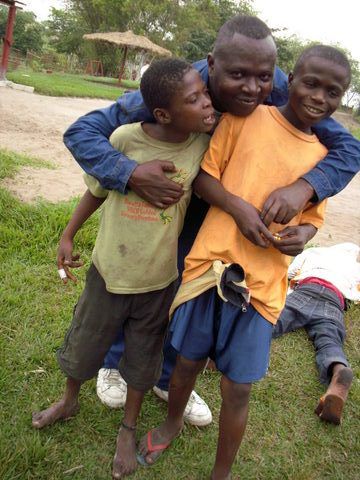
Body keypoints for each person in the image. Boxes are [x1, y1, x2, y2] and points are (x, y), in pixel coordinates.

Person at [63, 14, 360, 420]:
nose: (253, 89)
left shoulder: (278, 90)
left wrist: (304, 188)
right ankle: (115, 362)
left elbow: (349, 150)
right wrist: (129, 173)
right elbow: (82, 132)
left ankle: (168, 378)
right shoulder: (179, 86)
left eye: (264, 77)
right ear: (212, 64)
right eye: (237, 74)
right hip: (171, 194)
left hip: (221, 210)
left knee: (186, 290)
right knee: (139, 277)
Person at [136, 41, 352, 480]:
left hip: (262, 286)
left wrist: (301, 237)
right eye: (310, 83)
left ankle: (222, 472)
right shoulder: (245, 119)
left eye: (333, 92)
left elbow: (313, 221)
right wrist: (239, 208)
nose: (318, 97)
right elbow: (204, 179)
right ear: (287, 80)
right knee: (187, 362)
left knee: (238, 387)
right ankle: (172, 421)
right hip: (209, 268)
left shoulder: (322, 162)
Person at [32, 58, 216, 479]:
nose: (207, 102)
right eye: (195, 98)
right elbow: (96, 191)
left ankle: (128, 429)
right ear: (163, 113)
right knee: (85, 341)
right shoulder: (123, 139)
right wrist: (68, 234)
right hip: (107, 270)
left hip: (158, 281)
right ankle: (69, 399)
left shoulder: (201, 146)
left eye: (204, 92)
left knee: (144, 356)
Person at [273, 242, 360, 425]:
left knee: (272, 323)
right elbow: (356, 293)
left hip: (306, 289)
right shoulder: (355, 267)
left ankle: (225, 352)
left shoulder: (314, 252)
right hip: (334, 300)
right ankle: (338, 368)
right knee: (329, 341)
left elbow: (289, 272)